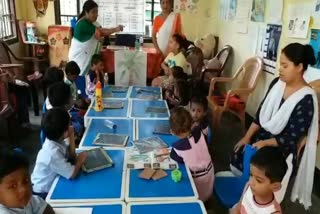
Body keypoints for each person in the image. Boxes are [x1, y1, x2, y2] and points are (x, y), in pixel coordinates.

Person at [232, 43, 318, 209]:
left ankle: (262, 204)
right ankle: (246, 198)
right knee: (239, 151)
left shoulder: (306, 99)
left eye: (285, 65)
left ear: (299, 67)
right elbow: (261, 115)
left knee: (261, 167)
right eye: (280, 64)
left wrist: (264, 143)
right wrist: (247, 137)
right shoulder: (277, 84)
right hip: (264, 136)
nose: (280, 69)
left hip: (282, 147)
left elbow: (291, 137)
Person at [32, 108, 87, 199]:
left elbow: (72, 157)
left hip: (54, 179)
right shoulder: (52, 153)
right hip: (43, 192)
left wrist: (72, 135)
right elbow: (72, 174)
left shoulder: (55, 139)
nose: (71, 126)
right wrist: (80, 161)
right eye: (69, 124)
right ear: (65, 133)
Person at [169, 107, 214, 202]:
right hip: (210, 176)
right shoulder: (200, 132)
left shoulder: (177, 148)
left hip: (197, 183)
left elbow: (174, 158)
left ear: (172, 132)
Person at [68, 0, 124, 75]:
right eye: (93, 12)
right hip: (80, 59)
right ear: (86, 12)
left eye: (97, 12)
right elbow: (101, 32)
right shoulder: (82, 24)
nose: (96, 14)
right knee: (80, 81)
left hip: (87, 58)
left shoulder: (93, 23)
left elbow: (100, 32)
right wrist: (115, 29)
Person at [231, 147, 287, 214]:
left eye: (259, 180)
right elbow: (239, 206)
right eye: (251, 175)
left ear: (275, 186)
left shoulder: (273, 212)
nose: (251, 182)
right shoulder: (248, 186)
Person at [0, 148, 54, 213]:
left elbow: (46, 209)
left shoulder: (28, 200)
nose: (24, 189)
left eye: (25, 181)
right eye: (13, 186)